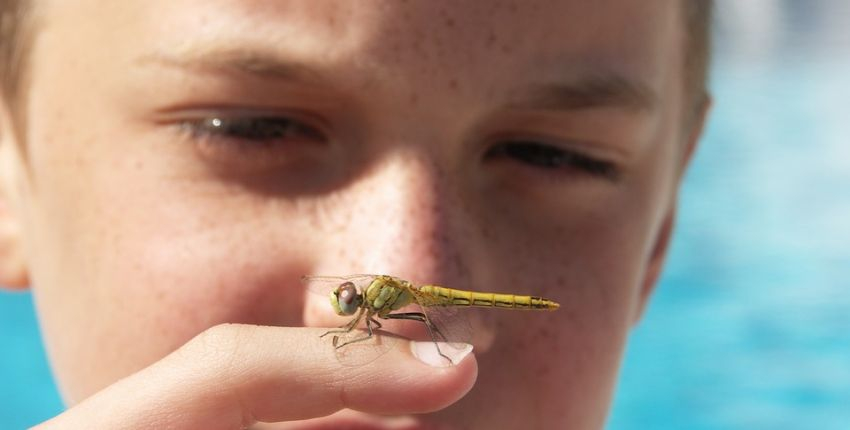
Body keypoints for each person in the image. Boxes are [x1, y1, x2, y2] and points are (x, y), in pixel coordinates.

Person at [0, 0, 711, 428]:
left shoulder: (412, 298)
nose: (415, 262)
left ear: (660, 234)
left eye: (549, 154)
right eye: (250, 127)